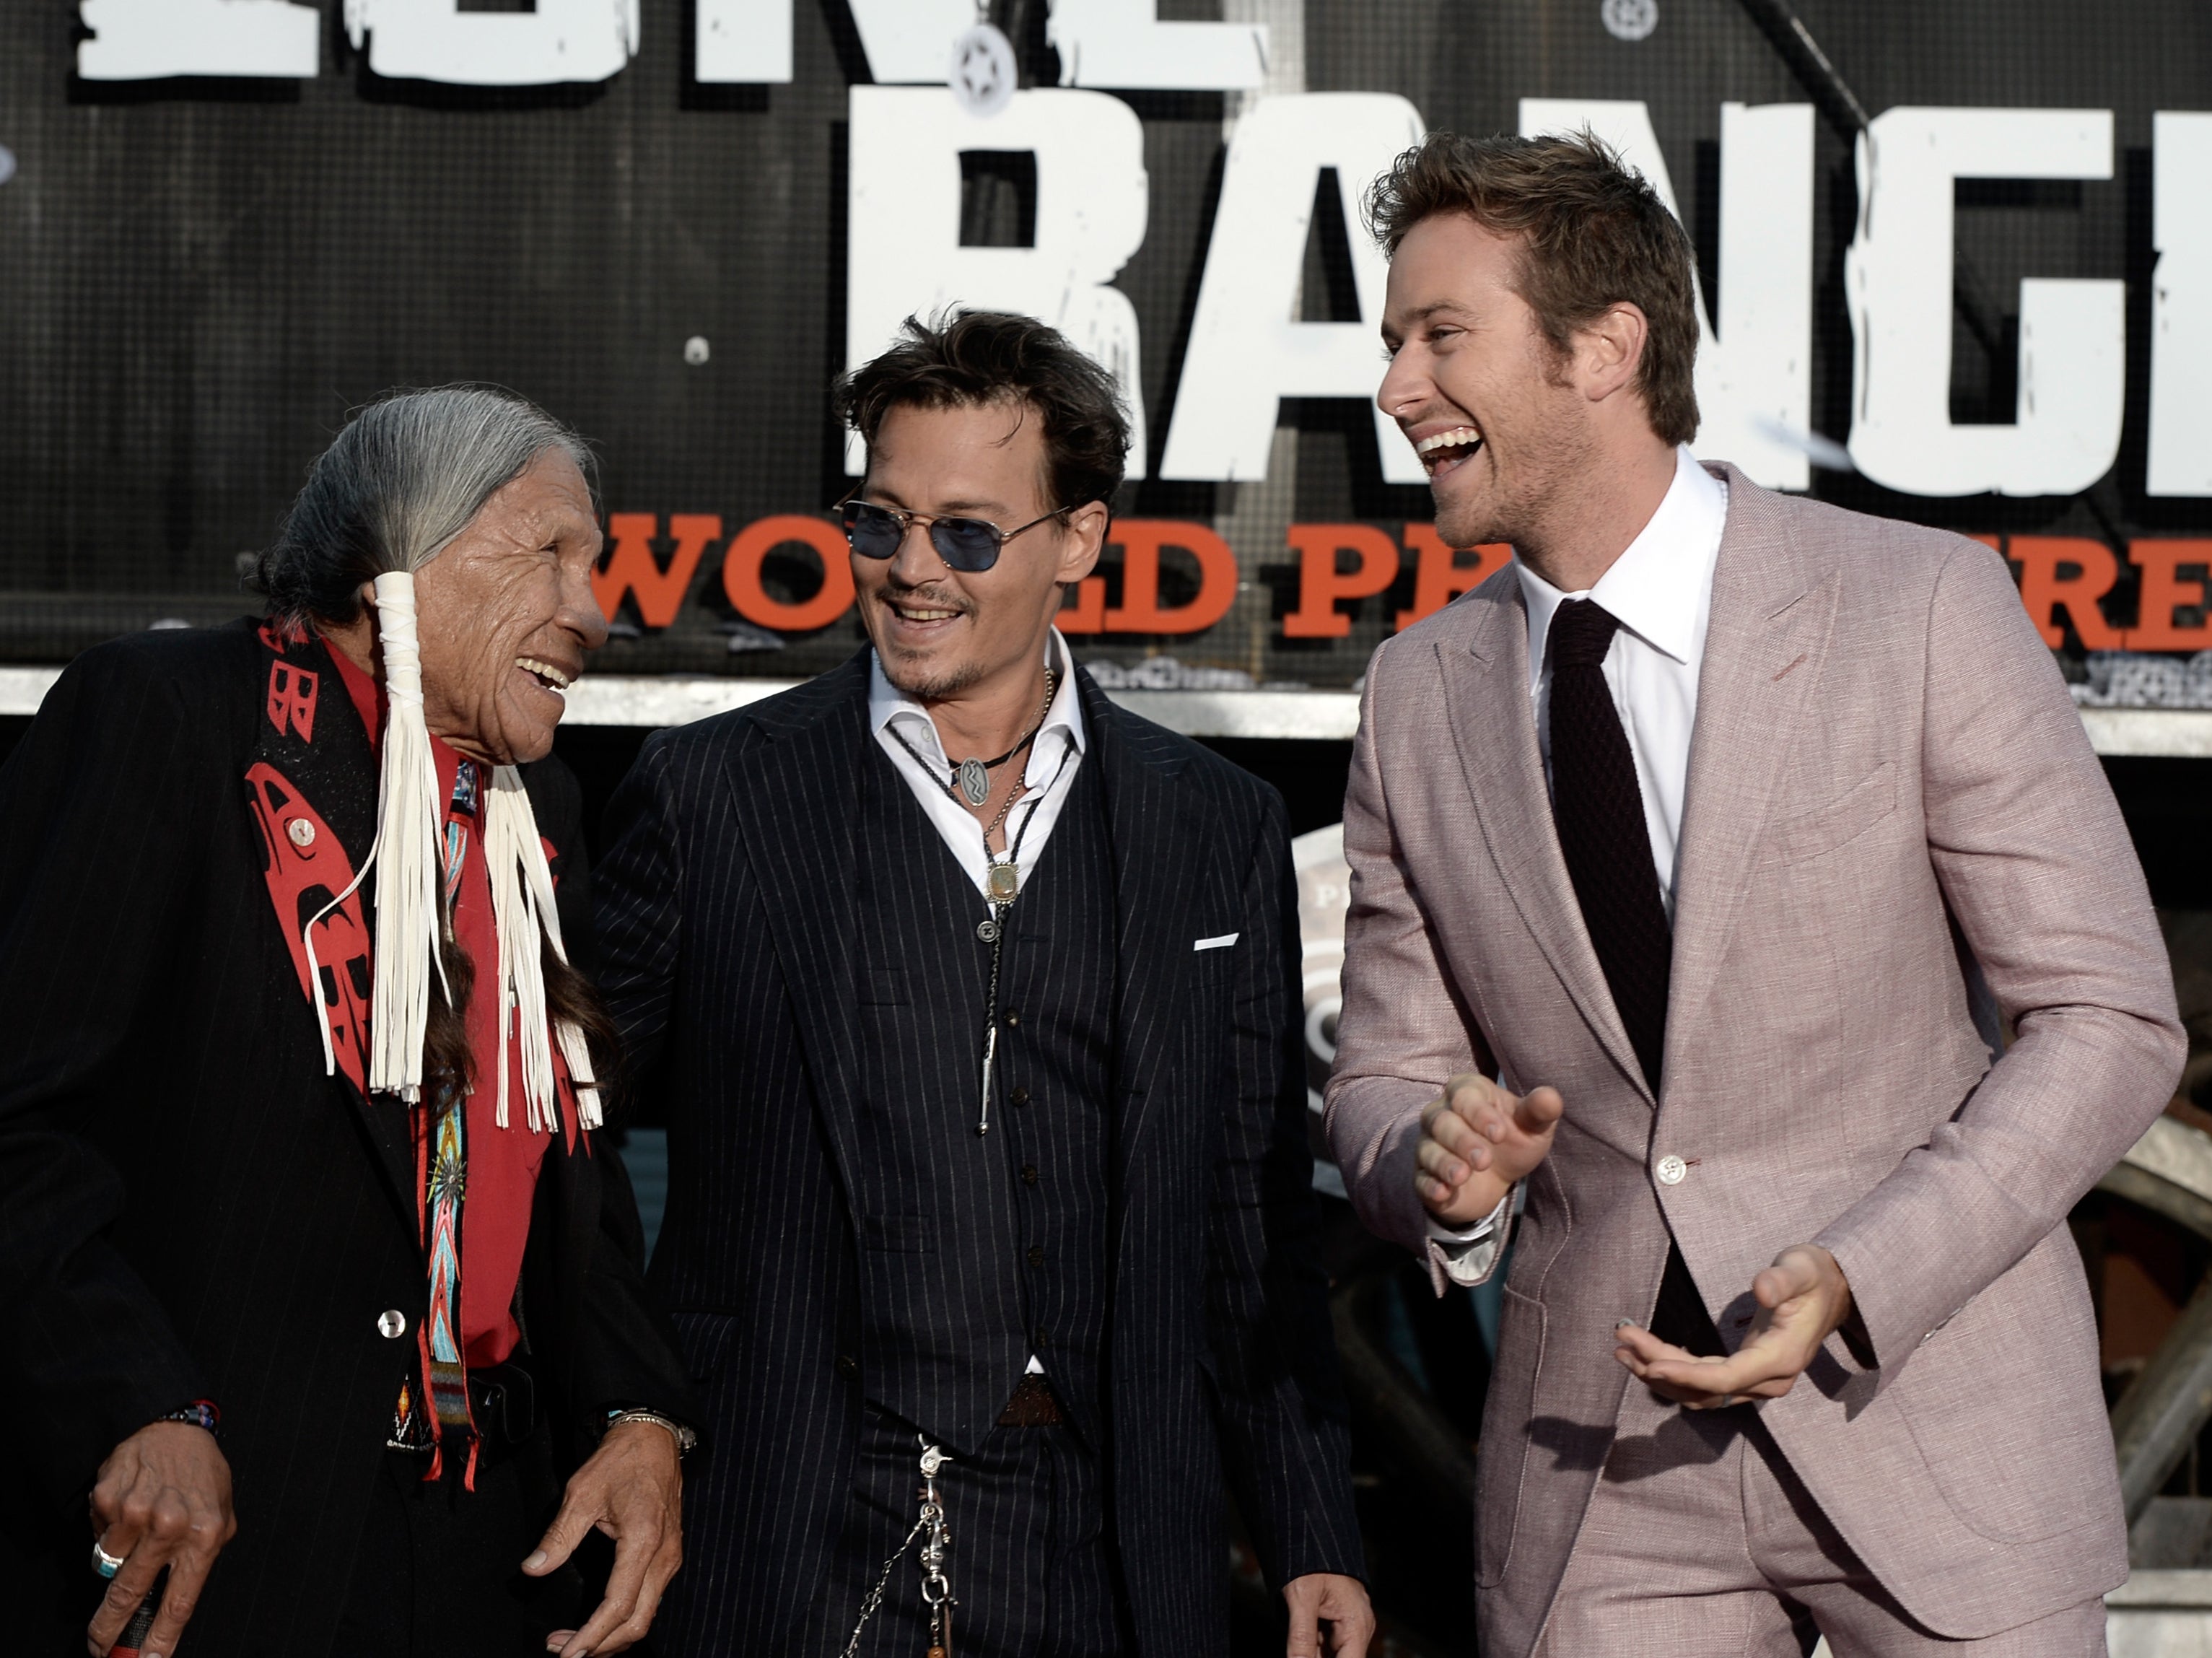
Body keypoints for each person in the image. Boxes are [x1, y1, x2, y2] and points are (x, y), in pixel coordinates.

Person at [1324, 131, 2186, 1657]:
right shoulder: (1414, 695)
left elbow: (2107, 1017)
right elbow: (1388, 1080)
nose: (1395, 388)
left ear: (1605, 348)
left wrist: (1864, 1269)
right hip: (1600, 1479)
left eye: (1440, 336)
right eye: (1394, 341)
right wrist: (1430, 1166)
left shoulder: (1917, 606)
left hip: (1930, 1413)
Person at [593, 310, 1371, 1657]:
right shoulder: (713, 794)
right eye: (878, 521)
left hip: (1110, 1539)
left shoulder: (1213, 825)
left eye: (964, 532)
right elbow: (565, 1135)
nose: (910, 571)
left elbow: (1249, 1222)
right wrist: (632, 1407)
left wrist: (1306, 1528)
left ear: (1078, 537)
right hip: (791, 1524)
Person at [0, 387, 696, 1658]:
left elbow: (575, 1168)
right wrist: (139, 1399)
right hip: (219, 1536)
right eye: (551, 552)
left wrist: (640, 1410)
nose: (594, 614)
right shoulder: (169, 717)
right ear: (402, 556)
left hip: (492, 1548)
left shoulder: (535, 818)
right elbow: (20, 1120)